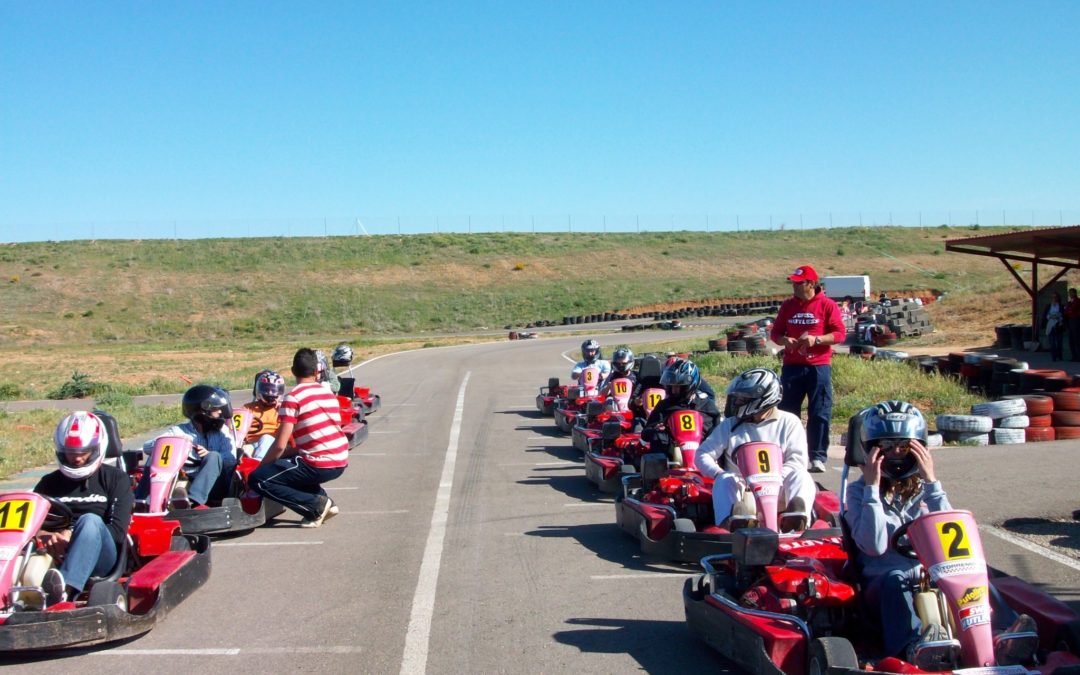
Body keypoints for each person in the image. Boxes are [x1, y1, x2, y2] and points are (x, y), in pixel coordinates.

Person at [695, 368, 815, 531]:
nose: (737, 402)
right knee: (724, 481)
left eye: (743, 398)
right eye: (738, 397)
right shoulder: (730, 425)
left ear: (764, 398)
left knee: (802, 476)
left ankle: (797, 524)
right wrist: (718, 473)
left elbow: (797, 461)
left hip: (779, 488)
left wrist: (773, 480)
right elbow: (702, 454)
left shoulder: (789, 422)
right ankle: (731, 525)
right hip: (743, 490)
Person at [35, 411, 133, 605]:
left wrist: (73, 534)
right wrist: (43, 535)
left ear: (97, 448)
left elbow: (117, 533)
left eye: (83, 452)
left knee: (90, 520)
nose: (76, 459)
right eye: (71, 453)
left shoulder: (115, 479)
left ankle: (64, 592)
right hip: (55, 553)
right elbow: (28, 524)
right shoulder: (48, 483)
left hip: (102, 557)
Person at [250, 348, 349, 528]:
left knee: (260, 479)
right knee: (288, 466)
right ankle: (324, 501)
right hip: (340, 459)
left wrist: (262, 465)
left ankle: (315, 506)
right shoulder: (328, 394)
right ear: (317, 371)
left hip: (318, 463)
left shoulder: (293, 398)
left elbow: (279, 445)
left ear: (293, 371)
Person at [770, 264, 847, 473]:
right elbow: (775, 334)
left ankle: (817, 456)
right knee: (788, 412)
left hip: (818, 367)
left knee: (820, 412)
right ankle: (788, 454)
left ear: (811, 284)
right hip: (792, 367)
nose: (794, 287)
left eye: (798, 283)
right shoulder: (788, 306)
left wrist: (817, 339)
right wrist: (785, 340)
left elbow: (840, 334)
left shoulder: (827, 305)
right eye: (793, 283)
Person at [136, 385, 238, 509]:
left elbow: (231, 459)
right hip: (186, 480)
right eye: (216, 409)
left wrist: (208, 455)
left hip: (216, 485)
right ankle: (142, 500)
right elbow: (147, 447)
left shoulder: (222, 431)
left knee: (214, 456)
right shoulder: (180, 431)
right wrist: (176, 444)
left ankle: (193, 502)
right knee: (155, 456)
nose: (220, 412)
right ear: (202, 410)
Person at [641, 359, 722, 459]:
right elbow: (645, 433)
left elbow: (720, 430)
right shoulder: (665, 405)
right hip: (672, 455)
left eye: (678, 387)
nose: (674, 390)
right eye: (672, 386)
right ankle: (658, 471)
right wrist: (656, 429)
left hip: (704, 453)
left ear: (690, 385)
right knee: (658, 437)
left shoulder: (706, 405)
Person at [243, 370, 285, 460]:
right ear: (259, 389)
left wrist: (282, 412)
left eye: (273, 390)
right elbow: (235, 429)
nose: (270, 393)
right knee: (244, 449)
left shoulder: (282, 409)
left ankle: (258, 462)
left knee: (265, 438)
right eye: (267, 389)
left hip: (271, 445)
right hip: (250, 444)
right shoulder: (247, 408)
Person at [1043, 292, 1066, 362]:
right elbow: (1045, 315)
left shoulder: (1061, 306)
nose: (1054, 299)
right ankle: (1054, 357)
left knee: (1059, 342)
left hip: (1059, 325)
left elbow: (1064, 315)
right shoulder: (1048, 306)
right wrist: (1050, 316)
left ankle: (1060, 356)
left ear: (1058, 298)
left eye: (1055, 297)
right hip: (1051, 325)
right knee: (1052, 342)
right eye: (1053, 297)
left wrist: (1059, 318)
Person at [1066, 288, 1080, 362]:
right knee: (1071, 340)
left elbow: (1072, 310)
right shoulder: (1070, 302)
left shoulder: (1078, 301)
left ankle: (1078, 356)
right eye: (1069, 293)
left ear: (1075, 293)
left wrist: (1069, 310)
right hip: (1070, 321)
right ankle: (1074, 356)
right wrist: (1068, 310)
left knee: (1076, 339)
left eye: (1071, 293)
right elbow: (1067, 310)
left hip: (1076, 321)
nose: (1070, 294)